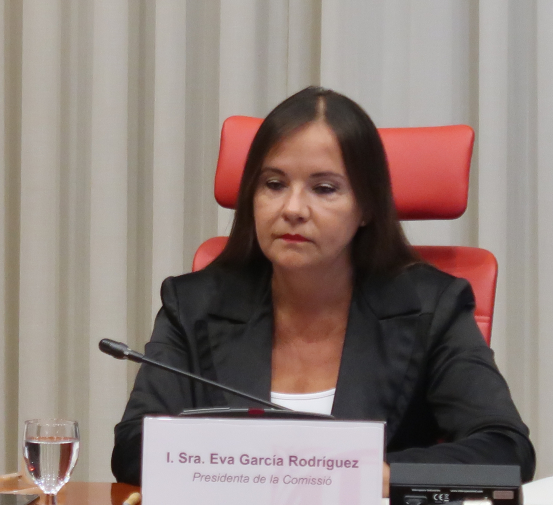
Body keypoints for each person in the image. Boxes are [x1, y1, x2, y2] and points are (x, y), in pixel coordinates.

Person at [111, 87, 535, 493]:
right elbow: (134, 446)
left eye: (324, 188)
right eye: (273, 184)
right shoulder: (194, 304)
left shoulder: (432, 308)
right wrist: (276, 470)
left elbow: (506, 449)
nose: (293, 209)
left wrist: (376, 475)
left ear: (367, 206)